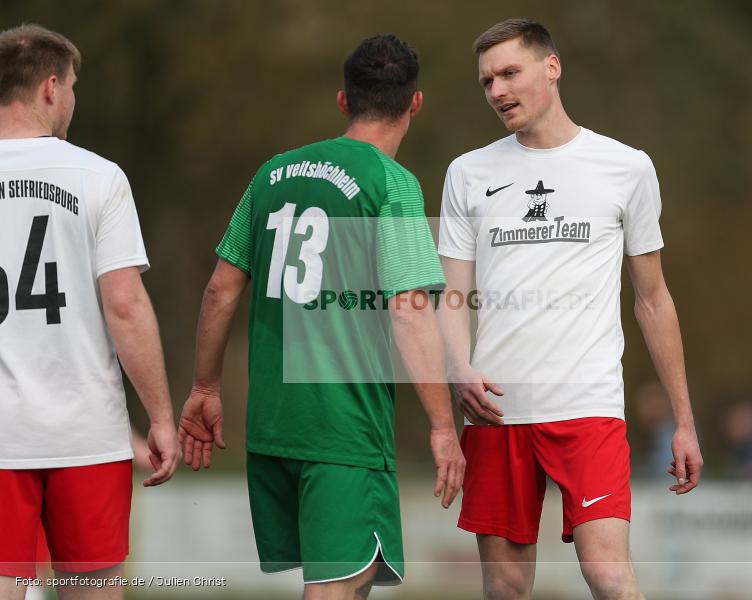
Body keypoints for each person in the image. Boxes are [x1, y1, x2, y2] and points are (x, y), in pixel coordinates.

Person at [178, 35, 464, 599]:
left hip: (273, 428)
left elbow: (219, 290)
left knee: (345, 584)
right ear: (415, 103)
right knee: (338, 586)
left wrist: (205, 386)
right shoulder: (393, 183)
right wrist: (440, 425)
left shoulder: (272, 174)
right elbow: (409, 311)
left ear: (343, 101)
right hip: (344, 429)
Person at [437, 18, 703, 599]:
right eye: (486, 81)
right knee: (505, 586)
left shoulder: (626, 167)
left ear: (551, 68)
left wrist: (684, 420)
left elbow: (653, 300)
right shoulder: (467, 173)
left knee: (607, 573)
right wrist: (458, 368)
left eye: (510, 73)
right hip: (496, 411)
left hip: (588, 406)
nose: (497, 91)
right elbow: (452, 295)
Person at [0, 24, 181, 600]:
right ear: (51, 88)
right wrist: (159, 416)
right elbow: (124, 306)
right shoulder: (98, 176)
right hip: (86, 435)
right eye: (74, 85)